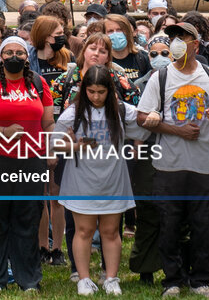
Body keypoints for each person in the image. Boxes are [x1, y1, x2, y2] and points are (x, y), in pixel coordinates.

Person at [137, 20, 209, 298]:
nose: (176, 42)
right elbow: (142, 117)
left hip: (204, 165)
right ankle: (172, 280)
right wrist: (176, 130)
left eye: (183, 37)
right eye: (173, 36)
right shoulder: (161, 77)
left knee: (203, 225)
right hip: (168, 166)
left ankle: (200, 280)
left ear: (195, 44)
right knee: (170, 224)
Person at [0, 36, 54, 292]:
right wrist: (2, 131)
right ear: (1, 57)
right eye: (9, 52)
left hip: (31, 160)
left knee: (28, 218)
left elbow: (48, 122)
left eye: (20, 52)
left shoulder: (38, 83)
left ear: (27, 57)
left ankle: (29, 279)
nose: (15, 57)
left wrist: (50, 148)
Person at [57, 65, 147, 296]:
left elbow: (144, 124)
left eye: (101, 92)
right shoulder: (72, 113)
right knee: (84, 230)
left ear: (110, 90)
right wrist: (75, 146)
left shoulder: (123, 111)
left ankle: (111, 279)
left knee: (110, 231)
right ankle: (84, 279)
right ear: (83, 89)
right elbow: (54, 144)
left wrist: (153, 116)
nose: (96, 97)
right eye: (91, 91)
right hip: (82, 180)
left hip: (112, 179)